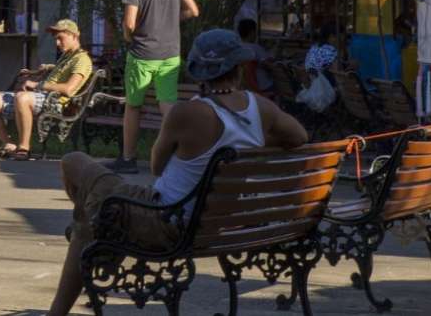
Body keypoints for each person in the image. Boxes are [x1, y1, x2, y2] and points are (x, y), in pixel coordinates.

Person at [47, 29, 309, 316]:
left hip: (165, 219)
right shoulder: (261, 108)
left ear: (199, 72)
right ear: (238, 69)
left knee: (74, 163)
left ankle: (84, 260)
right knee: (92, 215)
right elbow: (299, 137)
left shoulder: (187, 113)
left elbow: (158, 166)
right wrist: (250, 144)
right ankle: (94, 234)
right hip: (214, 225)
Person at [106, 0, 199, 173]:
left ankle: (128, 159)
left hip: (142, 54)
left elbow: (129, 23)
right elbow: (193, 11)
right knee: (167, 103)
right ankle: (178, 156)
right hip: (170, 54)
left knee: (133, 106)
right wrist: (169, 21)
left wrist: (129, 37)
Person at [0, 20, 93, 160]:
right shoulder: (67, 56)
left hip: (55, 103)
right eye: (56, 39)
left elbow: (69, 89)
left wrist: (36, 85)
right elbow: (57, 72)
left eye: (61, 39)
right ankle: (9, 144)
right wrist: (37, 71)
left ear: (74, 36)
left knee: (22, 97)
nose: (57, 43)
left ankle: (24, 148)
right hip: (40, 98)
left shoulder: (82, 60)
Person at [236, 16, 275, 96]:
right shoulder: (256, 48)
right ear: (252, 32)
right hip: (262, 87)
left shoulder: (237, 48)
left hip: (243, 87)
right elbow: (269, 65)